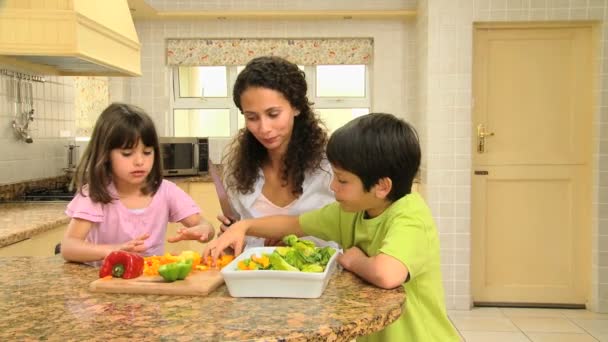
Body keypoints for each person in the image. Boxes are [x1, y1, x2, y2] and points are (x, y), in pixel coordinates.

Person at [203, 113, 460, 342]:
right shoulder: (350, 211)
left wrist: (353, 260)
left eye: (343, 180)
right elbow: (293, 224)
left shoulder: (410, 216)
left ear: (382, 187)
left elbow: (387, 274)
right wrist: (245, 226)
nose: (332, 187)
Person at [61, 103, 215, 264]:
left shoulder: (166, 191)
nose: (140, 161)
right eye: (127, 153)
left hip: (149, 281)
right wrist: (114, 250)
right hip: (105, 282)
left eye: (147, 152)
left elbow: (205, 225)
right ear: (105, 154)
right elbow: (69, 247)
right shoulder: (94, 196)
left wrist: (204, 230)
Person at [219, 55, 335, 247]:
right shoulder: (237, 170)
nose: (264, 128)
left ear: (296, 107)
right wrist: (231, 236)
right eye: (252, 117)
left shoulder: (331, 165)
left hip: (322, 275)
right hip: (256, 274)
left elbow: (346, 231)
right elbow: (242, 238)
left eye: (273, 114)